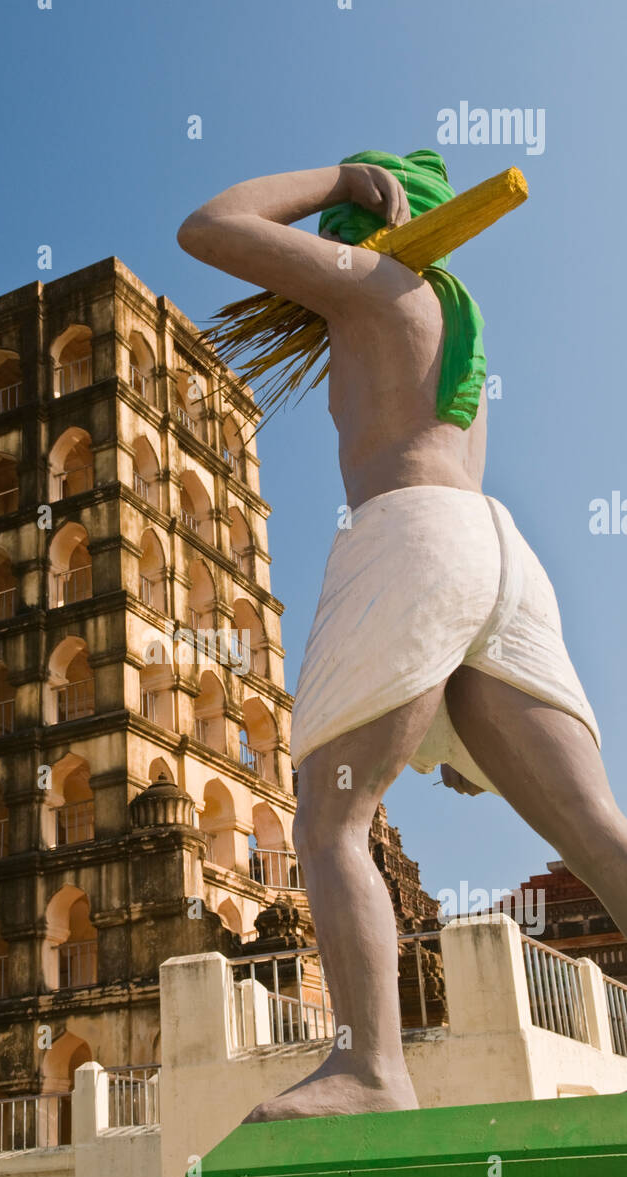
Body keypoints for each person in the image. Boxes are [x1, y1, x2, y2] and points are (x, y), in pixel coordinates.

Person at [177, 150, 627, 1121]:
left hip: (406, 534)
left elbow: (210, 226)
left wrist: (337, 177)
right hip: (495, 551)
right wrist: (457, 707)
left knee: (329, 817)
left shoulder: (376, 282)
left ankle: (370, 1068)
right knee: (598, 833)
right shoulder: (447, 319)